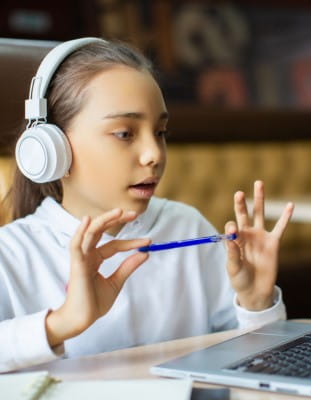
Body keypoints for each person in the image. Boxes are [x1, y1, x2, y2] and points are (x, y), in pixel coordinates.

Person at [0, 38, 294, 373]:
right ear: (52, 148)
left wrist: (256, 303)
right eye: (125, 133)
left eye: (161, 132)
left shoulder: (187, 226)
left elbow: (260, 364)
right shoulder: (11, 256)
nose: (154, 154)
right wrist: (61, 323)